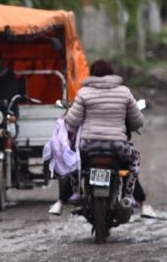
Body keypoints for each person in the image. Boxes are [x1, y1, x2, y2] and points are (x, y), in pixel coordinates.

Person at [62, 59, 156, 219]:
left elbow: (71, 122)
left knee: (74, 160)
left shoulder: (84, 93)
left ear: (92, 74)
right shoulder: (124, 92)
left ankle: (77, 192)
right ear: (112, 73)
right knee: (134, 160)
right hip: (117, 147)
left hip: (88, 146)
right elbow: (138, 122)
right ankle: (127, 196)